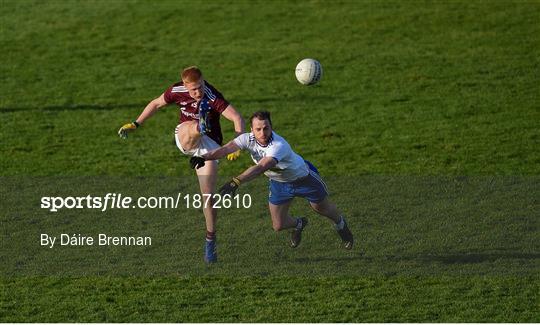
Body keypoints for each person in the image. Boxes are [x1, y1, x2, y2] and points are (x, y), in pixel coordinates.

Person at [118, 66, 245, 263]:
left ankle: (210, 240)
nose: (198, 92)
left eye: (200, 86)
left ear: (204, 81)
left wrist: (237, 144)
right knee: (191, 129)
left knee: (208, 198)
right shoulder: (176, 91)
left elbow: (237, 118)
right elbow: (156, 104)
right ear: (185, 86)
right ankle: (199, 126)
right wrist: (136, 123)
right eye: (193, 89)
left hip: (209, 147)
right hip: (186, 135)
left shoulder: (211, 95)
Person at [190, 111, 353, 250]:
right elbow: (226, 149)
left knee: (321, 208)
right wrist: (203, 157)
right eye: (258, 129)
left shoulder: (278, 145)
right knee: (278, 225)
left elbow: (262, 167)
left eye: (266, 128)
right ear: (252, 130)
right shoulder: (247, 139)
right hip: (279, 184)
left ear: (271, 127)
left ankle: (341, 225)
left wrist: (236, 181)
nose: (263, 133)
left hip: (304, 179)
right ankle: (299, 224)